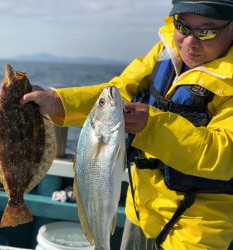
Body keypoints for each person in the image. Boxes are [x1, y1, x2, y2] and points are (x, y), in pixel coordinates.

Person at [21, 0, 233, 249]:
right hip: (141, 209)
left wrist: (151, 126)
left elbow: (224, 153)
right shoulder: (165, 51)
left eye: (206, 31)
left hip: (198, 230)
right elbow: (117, 93)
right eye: (183, 27)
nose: (190, 43)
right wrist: (58, 102)